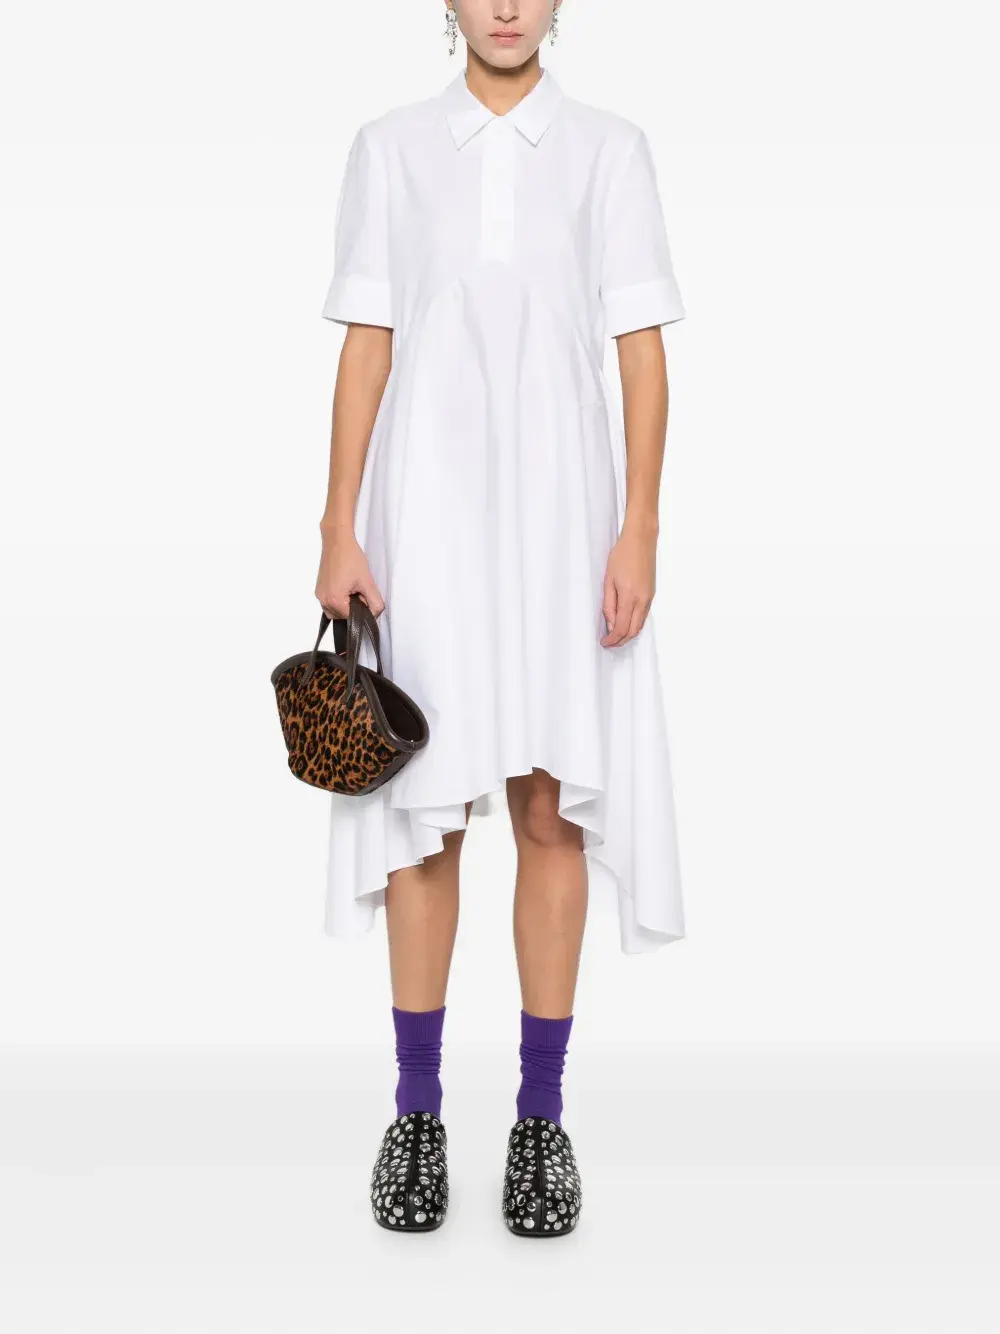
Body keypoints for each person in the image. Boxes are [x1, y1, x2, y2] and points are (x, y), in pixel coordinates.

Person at [314, 0, 686, 1236]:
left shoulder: (609, 149)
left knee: (547, 805)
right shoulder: (389, 147)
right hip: (423, 517)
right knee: (423, 814)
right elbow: (367, 343)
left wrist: (637, 527)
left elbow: (640, 352)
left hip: (561, 518)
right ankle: (416, 1112)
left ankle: (540, 1119)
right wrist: (338, 523)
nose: (508, 7)